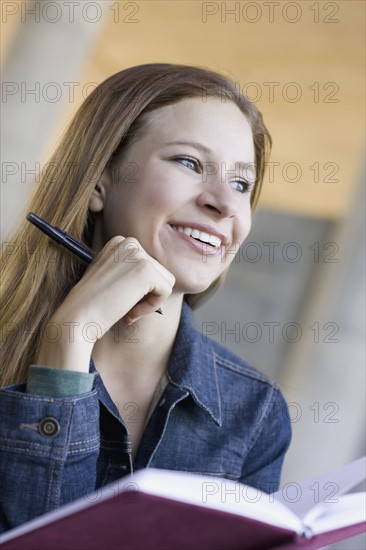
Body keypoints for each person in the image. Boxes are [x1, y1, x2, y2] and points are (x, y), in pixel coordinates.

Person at [0, 63, 291, 532]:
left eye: (241, 183)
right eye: (190, 163)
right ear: (99, 180)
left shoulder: (255, 411)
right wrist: (65, 347)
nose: (225, 202)